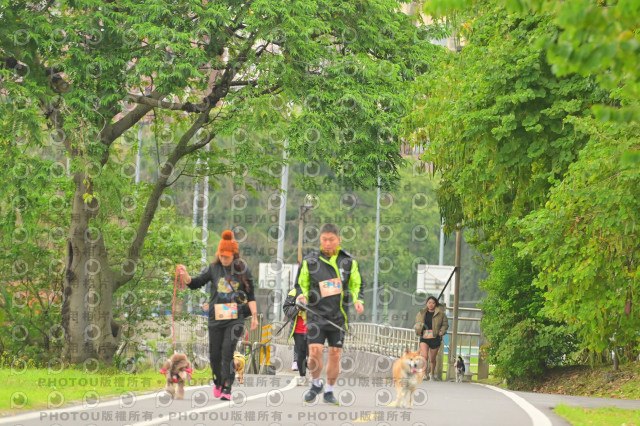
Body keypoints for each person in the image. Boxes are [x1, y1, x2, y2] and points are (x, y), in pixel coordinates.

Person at [176, 230, 258, 401]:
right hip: (216, 318)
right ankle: (219, 381)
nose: (223, 259)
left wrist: (255, 317)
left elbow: (251, 295)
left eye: (227, 257)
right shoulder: (213, 268)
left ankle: (227, 387)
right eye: (221, 256)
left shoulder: (242, 270)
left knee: (227, 352)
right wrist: (186, 277)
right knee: (214, 355)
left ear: (234, 255)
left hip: (234, 319)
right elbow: (196, 283)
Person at [295, 223, 364, 405]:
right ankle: (316, 383)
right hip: (315, 315)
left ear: (338, 240)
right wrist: (302, 295)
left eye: (331, 240)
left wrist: (358, 300)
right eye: (324, 239)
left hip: (338, 318)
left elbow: (356, 283)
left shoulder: (348, 261)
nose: (327, 243)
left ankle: (329, 391)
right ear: (320, 240)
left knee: (335, 354)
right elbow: (301, 283)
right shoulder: (310, 261)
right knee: (314, 352)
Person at [414, 295, 448, 381]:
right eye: (429, 303)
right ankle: (424, 374)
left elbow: (445, 324)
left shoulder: (441, 314)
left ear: (436, 304)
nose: (431, 304)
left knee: (432, 359)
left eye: (433, 303)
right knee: (425, 356)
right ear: (426, 303)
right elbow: (417, 322)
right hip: (424, 337)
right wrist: (418, 330)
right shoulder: (421, 312)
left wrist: (442, 331)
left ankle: (432, 374)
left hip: (435, 337)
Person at [283, 286, 308, 385]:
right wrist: (297, 307)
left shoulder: (317, 290)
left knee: (313, 354)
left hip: (315, 330)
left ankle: (314, 376)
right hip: (298, 330)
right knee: (301, 353)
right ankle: (302, 376)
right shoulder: (294, 292)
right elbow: (286, 309)